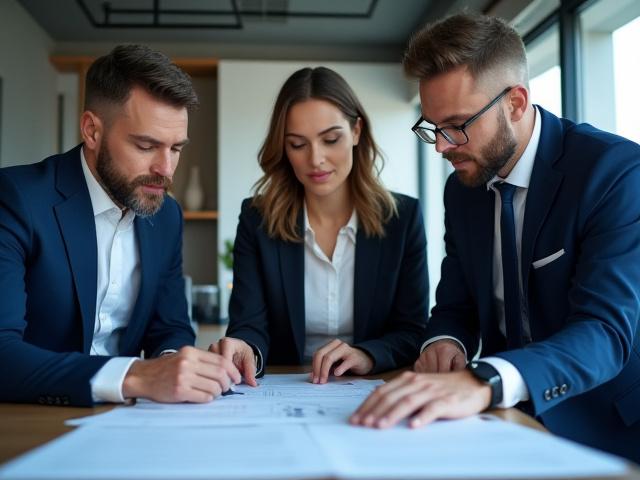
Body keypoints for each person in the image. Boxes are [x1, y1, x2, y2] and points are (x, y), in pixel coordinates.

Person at [351, 13, 640, 463]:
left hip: (606, 428)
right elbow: (456, 305)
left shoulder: (615, 173)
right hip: (501, 422)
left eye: (457, 124)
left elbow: (604, 332)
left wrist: (481, 380)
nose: (442, 146)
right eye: (432, 127)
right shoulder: (462, 190)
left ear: (516, 103)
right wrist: (444, 344)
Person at [0, 44, 240, 407]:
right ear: (92, 131)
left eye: (176, 148)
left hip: (130, 421)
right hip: (31, 418)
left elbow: (170, 327)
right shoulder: (16, 199)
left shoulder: (167, 216)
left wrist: (170, 365)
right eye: (146, 146)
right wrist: (135, 376)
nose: (166, 169)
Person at [211, 67, 428, 386]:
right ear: (283, 148)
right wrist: (246, 350)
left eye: (330, 139)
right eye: (297, 144)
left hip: (370, 386)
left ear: (356, 132)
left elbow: (413, 330)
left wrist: (367, 354)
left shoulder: (403, 218)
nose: (316, 159)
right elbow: (249, 325)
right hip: (281, 388)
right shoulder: (257, 218)